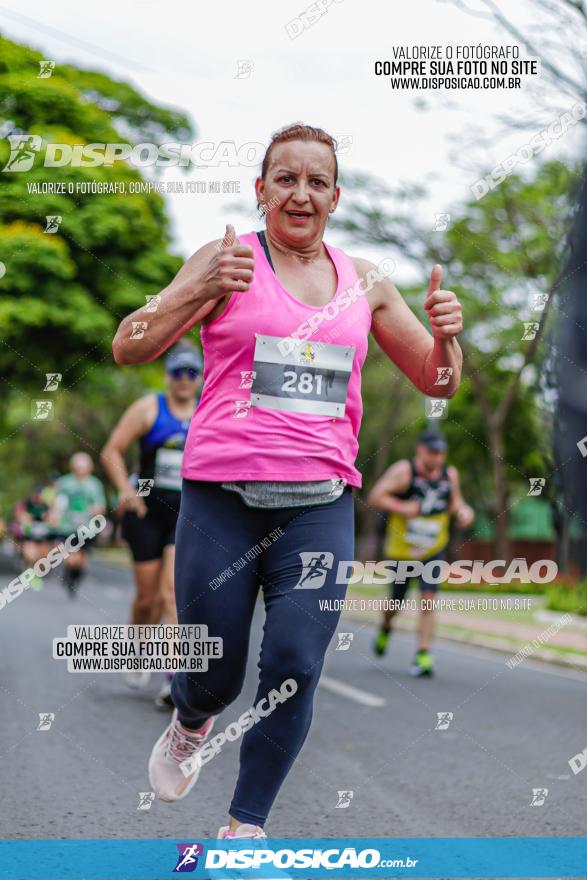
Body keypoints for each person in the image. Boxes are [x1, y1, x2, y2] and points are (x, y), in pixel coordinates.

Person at [111, 122, 464, 838]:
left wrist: (448, 332)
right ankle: (189, 718)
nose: (300, 192)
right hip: (221, 497)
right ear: (261, 189)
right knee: (217, 674)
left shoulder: (365, 282)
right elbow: (129, 345)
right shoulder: (225, 258)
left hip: (320, 502)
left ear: (335, 195)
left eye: (315, 181)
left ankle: (247, 825)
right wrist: (200, 290)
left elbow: (438, 379)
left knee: (297, 663)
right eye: (285, 178)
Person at [100, 343, 202, 701]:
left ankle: (172, 679)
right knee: (147, 601)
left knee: (171, 596)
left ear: (200, 376)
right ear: (168, 376)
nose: (185, 380)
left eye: (192, 373)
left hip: (185, 513)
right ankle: (138, 648)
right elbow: (111, 450)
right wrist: (125, 492)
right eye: (179, 372)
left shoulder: (207, 410)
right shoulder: (149, 408)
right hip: (146, 514)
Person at [368, 429, 474, 675]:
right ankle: (385, 627)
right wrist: (401, 507)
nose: (437, 458)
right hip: (402, 551)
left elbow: (455, 503)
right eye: (432, 452)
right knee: (395, 603)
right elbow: (374, 496)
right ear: (420, 449)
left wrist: (463, 512)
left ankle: (423, 655)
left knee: (428, 599)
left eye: (441, 453)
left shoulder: (450, 475)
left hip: (433, 549)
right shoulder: (403, 472)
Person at [50, 453, 107, 596]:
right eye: (78, 466)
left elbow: (101, 506)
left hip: (87, 528)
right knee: (71, 557)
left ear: (89, 468)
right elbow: (57, 503)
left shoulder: (94, 485)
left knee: (81, 561)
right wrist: (54, 514)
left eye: (83, 466)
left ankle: (74, 577)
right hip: (67, 526)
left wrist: (97, 511)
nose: (80, 469)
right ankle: (69, 575)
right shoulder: (65, 483)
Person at [11, 484, 54, 590]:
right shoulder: (26, 504)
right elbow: (20, 516)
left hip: (43, 537)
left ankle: (35, 571)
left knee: (44, 557)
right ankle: (29, 570)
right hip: (28, 537)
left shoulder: (48, 507)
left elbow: (54, 520)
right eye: (38, 495)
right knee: (30, 554)